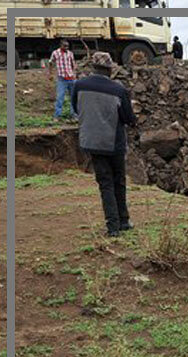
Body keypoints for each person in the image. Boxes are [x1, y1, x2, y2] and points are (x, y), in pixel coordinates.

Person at [71, 52, 137, 237]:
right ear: (109, 70)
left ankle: (113, 227)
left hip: (91, 142)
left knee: (105, 184)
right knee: (119, 181)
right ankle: (123, 221)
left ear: (93, 67)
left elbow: (76, 108)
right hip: (114, 142)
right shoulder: (118, 89)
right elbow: (128, 118)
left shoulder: (79, 85)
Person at [48, 39, 77, 120]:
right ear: (61, 46)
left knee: (73, 97)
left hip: (71, 78)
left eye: (67, 46)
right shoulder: (55, 53)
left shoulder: (70, 53)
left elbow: (72, 64)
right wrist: (50, 74)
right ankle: (57, 116)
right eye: (65, 46)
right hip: (62, 78)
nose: (66, 47)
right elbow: (51, 63)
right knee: (60, 97)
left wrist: (74, 74)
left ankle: (74, 115)